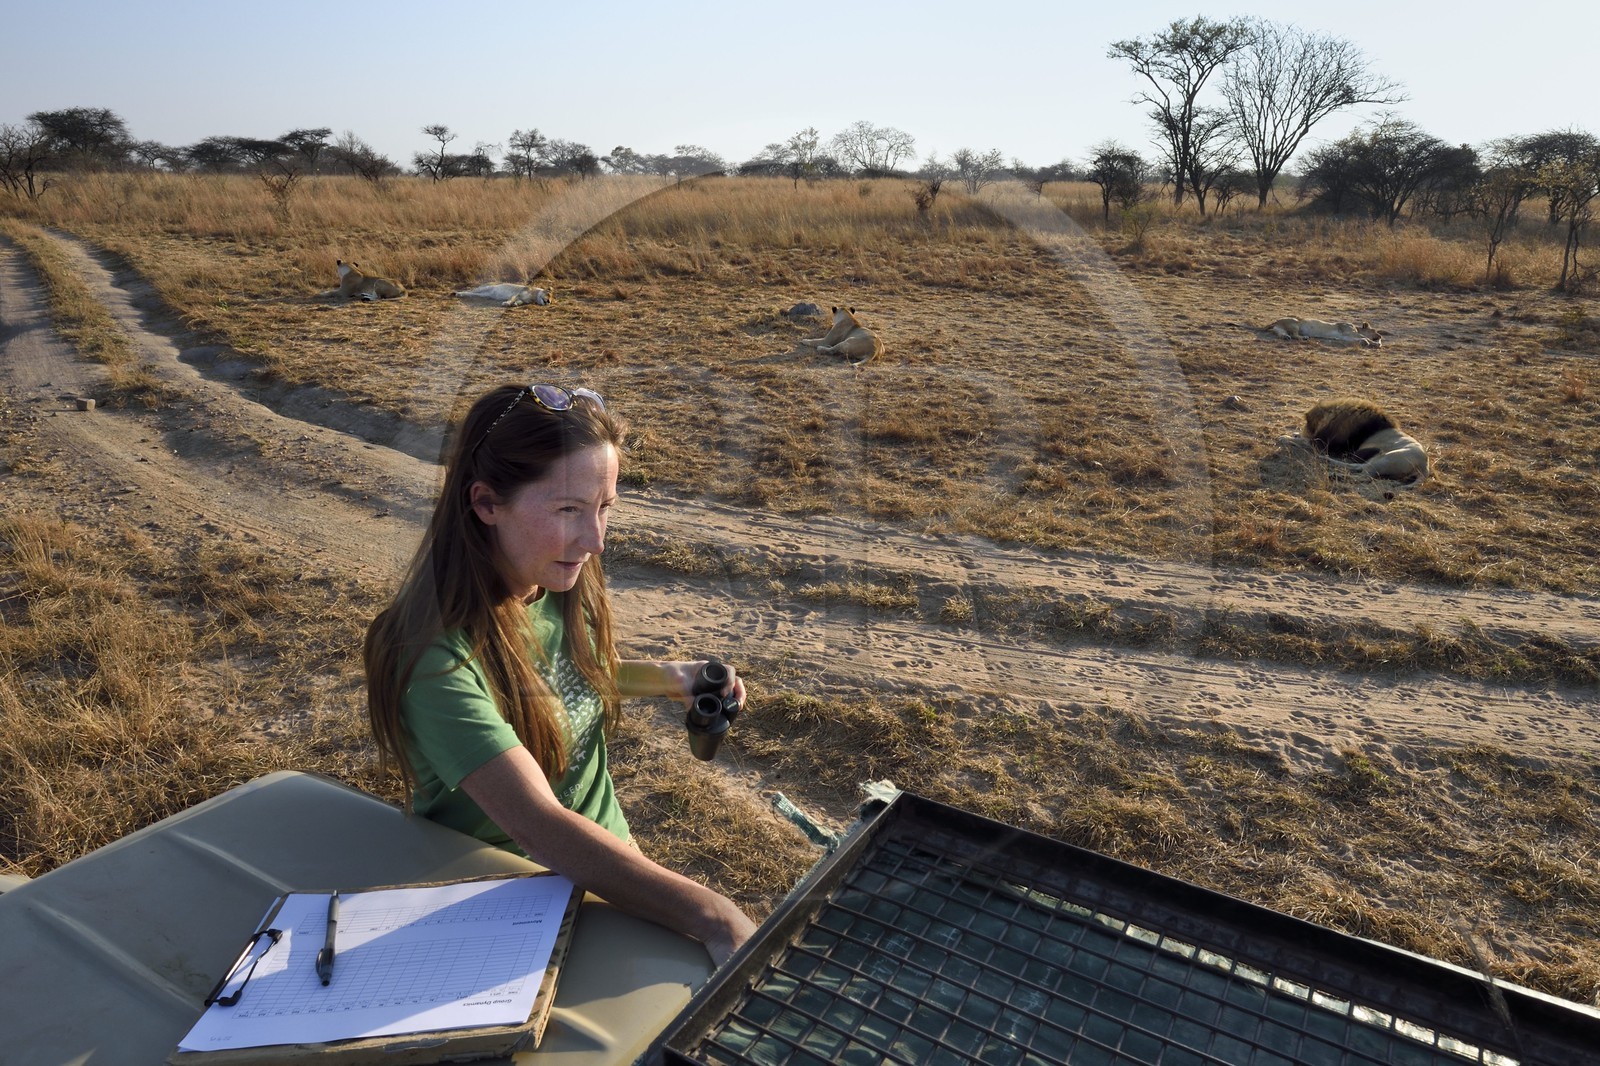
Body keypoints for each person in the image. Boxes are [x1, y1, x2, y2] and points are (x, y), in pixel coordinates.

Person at [364, 383, 756, 965]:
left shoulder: (544, 578)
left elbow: (567, 672)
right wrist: (717, 917)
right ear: (486, 503)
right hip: (512, 903)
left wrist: (671, 677)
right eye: (569, 510)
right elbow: (540, 825)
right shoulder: (434, 661)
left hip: (608, 863)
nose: (595, 540)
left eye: (604, 508)